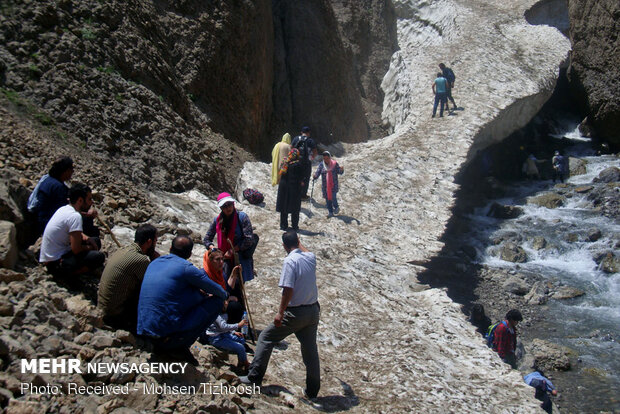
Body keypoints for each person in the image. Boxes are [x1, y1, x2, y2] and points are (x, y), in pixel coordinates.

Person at [240, 230, 320, 399]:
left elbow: (288, 289)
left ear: (284, 246)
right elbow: (304, 249)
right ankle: (313, 390)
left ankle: (254, 378)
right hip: (312, 311)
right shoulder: (310, 257)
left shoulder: (290, 261)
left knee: (266, 338)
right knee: (310, 351)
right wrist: (297, 239)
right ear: (298, 241)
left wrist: (280, 312)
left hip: (295, 313)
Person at [137, 235, 228, 364]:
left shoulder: (155, 262)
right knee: (217, 302)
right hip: (163, 337)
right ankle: (180, 345)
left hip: (143, 331)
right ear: (190, 254)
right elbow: (220, 292)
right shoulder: (187, 268)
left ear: (170, 248)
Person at [97, 224, 159, 331]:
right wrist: (156, 261)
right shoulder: (141, 260)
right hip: (114, 314)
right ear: (149, 242)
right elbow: (154, 285)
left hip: (102, 306)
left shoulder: (124, 249)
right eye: (155, 242)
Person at [39, 183, 105, 278]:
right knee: (98, 257)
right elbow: (76, 249)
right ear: (80, 200)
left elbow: (74, 232)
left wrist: (88, 239)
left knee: (95, 240)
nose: (92, 202)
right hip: (55, 262)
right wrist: (91, 248)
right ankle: (67, 276)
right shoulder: (75, 216)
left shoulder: (65, 209)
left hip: (50, 257)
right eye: (89, 199)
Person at [203, 193, 257, 296]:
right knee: (225, 286)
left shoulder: (242, 217)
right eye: (225, 206)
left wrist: (233, 250)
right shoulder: (217, 220)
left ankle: (239, 309)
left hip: (239, 259)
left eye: (229, 204)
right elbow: (206, 239)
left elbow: (249, 239)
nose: (228, 208)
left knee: (238, 287)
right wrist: (213, 248)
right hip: (224, 261)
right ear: (221, 208)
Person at [28, 157, 73, 236]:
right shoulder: (58, 187)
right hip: (46, 224)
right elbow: (63, 211)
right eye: (71, 169)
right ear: (65, 171)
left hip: (38, 220)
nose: (72, 172)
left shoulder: (47, 179)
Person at [201, 301, 250, 371]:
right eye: (224, 302)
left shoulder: (224, 313)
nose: (227, 303)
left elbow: (225, 327)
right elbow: (223, 327)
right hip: (216, 338)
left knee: (241, 339)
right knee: (240, 347)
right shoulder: (217, 314)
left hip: (223, 334)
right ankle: (246, 364)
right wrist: (238, 325)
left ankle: (241, 361)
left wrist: (233, 332)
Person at [203, 246, 244, 323]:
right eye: (218, 259)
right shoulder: (203, 276)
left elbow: (227, 288)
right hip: (210, 306)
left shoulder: (220, 273)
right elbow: (206, 296)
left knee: (237, 286)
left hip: (222, 301)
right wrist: (227, 298)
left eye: (222, 259)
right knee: (234, 307)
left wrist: (234, 274)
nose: (221, 262)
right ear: (210, 261)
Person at [276, 148, 304, 230]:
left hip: (283, 186)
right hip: (294, 187)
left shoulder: (285, 161)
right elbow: (301, 176)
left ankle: (283, 225)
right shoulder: (298, 164)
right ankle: (295, 226)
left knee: (284, 206)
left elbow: (281, 173)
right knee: (294, 207)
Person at [313, 151, 344, 218]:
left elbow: (339, 172)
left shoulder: (334, 164)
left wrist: (341, 170)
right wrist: (315, 176)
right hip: (325, 186)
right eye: (324, 159)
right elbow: (318, 172)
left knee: (333, 197)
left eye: (327, 158)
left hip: (333, 185)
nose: (326, 160)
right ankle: (330, 212)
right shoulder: (321, 165)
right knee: (327, 199)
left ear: (330, 157)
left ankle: (336, 207)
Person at [291, 126, 317, 199]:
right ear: (308, 133)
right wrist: (311, 158)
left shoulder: (296, 138)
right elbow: (315, 151)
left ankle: (294, 193)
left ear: (301, 132)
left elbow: (291, 148)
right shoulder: (310, 141)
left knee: (295, 176)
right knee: (305, 178)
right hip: (306, 163)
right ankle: (303, 195)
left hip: (296, 161)